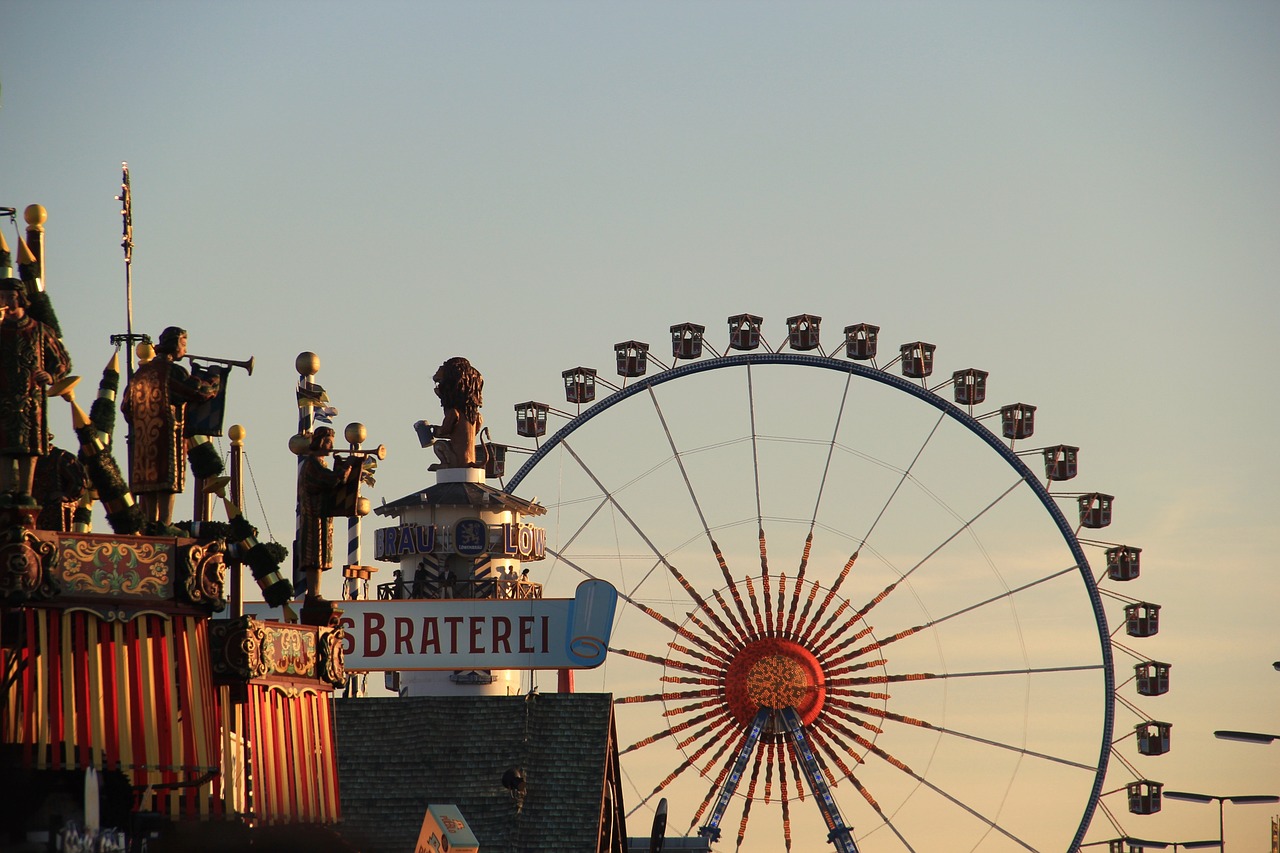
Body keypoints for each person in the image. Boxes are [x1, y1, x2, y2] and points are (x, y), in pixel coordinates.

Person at [121, 326, 219, 526]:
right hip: (166, 435)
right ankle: (165, 525)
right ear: (174, 345)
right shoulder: (171, 370)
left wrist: (143, 421)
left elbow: (126, 407)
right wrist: (214, 381)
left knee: (148, 484)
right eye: (183, 344)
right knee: (167, 483)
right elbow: (198, 391)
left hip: (143, 441)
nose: (184, 349)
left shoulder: (140, 373)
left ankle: (149, 523)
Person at [0, 278, 72, 506]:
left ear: (20, 298)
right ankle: (5, 490)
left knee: (29, 448)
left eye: (10, 296)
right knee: (4, 447)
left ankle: (25, 491)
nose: (6, 302)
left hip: (31, 400)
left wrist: (51, 376)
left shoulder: (39, 330)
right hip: (3, 398)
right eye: (2, 297)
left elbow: (62, 361)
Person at [296, 427, 343, 604]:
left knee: (320, 558)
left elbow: (331, 480)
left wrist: (340, 469)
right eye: (329, 441)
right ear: (321, 442)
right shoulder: (312, 464)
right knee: (314, 557)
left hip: (321, 516)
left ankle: (315, 593)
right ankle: (313, 595)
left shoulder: (319, 463)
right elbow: (327, 480)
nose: (332, 446)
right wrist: (343, 471)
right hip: (313, 517)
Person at [426, 356, 486, 471]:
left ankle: (445, 463)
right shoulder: (476, 416)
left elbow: (446, 430)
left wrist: (435, 431)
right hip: (470, 458)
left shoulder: (453, 412)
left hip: (456, 460)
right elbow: (470, 433)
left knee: (439, 445)